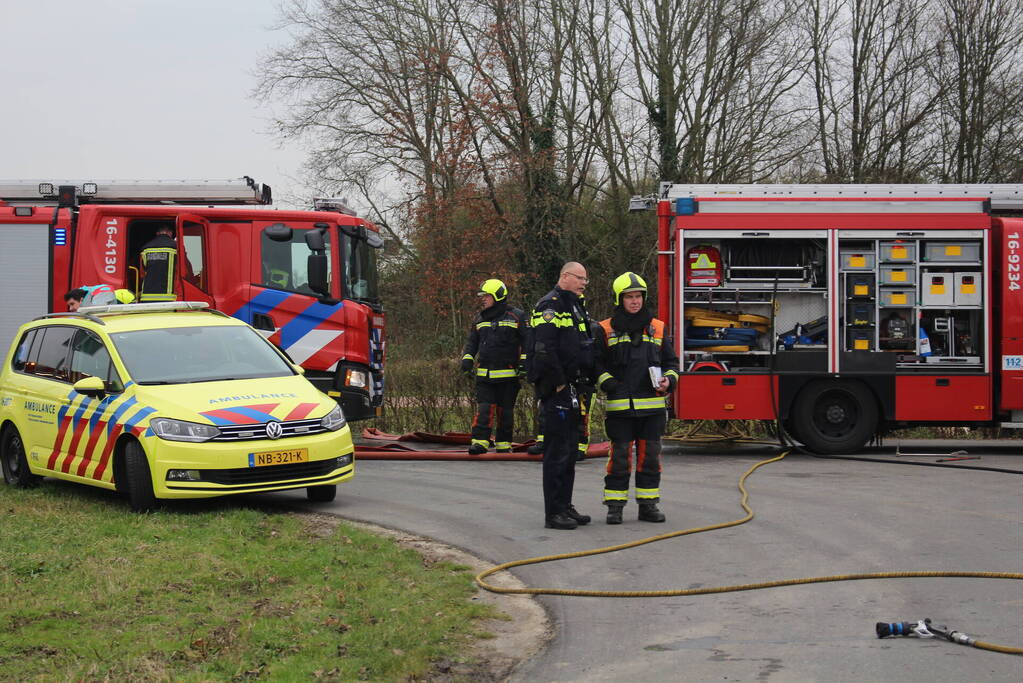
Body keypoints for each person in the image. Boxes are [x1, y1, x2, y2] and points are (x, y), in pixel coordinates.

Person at [595, 272, 679, 524]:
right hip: (620, 408)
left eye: (638, 296)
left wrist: (669, 380)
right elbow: (595, 365)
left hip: (652, 409)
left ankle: (648, 505)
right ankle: (615, 506)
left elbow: (671, 363)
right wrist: (606, 381)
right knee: (619, 458)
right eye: (629, 297)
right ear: (619, 300)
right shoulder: (604, 329)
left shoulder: (658, 327)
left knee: (650, 457)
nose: (635, 301)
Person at [528, 262, 594, 530]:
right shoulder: (550, 306)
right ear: (565, 276)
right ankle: (553, 513)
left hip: (573, 387)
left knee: (568, 451)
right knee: (556, 452)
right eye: (580, 278)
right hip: (558, 389)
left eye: (585, 280)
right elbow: (545, 349)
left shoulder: (575, 305)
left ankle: (565, 506)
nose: (583, 283)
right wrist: (557, 384)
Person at [460, 279, 527, 454]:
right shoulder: (479, 318)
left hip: (509, 375)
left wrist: (525, 363)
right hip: (485, 376)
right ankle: (480, 443)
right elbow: (471, 343)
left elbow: (528, 342)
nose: (483, 299)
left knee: (505, 413)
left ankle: (504, 445)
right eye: (482, 296)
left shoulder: (517, 316)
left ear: (497, 296)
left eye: (486, 296)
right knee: (484, 410)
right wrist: (467, 359)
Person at [139, 225, 178, 302]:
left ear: (157, 233)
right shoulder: (176, 247)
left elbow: (142, 274)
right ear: (170, 233)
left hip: (147, 297)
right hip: (169, 298)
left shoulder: (145, 248)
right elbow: (185, 271)